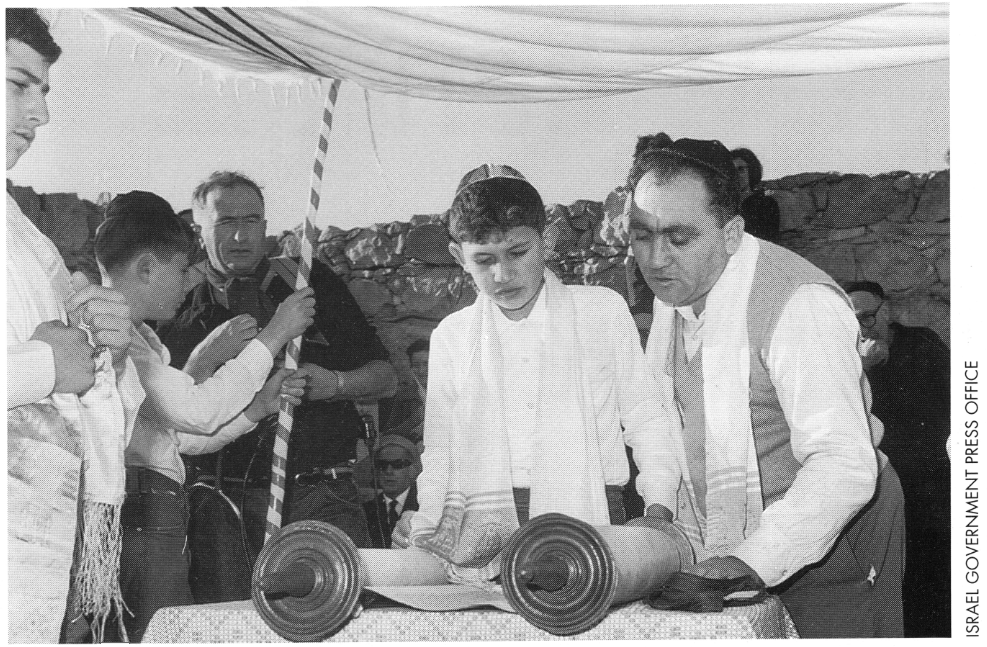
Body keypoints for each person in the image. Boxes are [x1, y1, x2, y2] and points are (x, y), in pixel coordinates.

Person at [627, 137, 904, 638]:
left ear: (731, 233)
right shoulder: (677, 293)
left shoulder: (799, 306)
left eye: (679, 237)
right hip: (732, 539)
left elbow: (843, 466)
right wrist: (660, 508)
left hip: (834, 535)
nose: (656, 258)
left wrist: (743, 562)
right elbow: (662, 414)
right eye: (642, 235)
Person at [394, 164, 678, 581]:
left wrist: (658, 509)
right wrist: (428, 520)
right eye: (483, 260)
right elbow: (440, 451)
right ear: (458, 256)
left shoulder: (600, 310)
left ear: (545, 241)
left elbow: (646, 418)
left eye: (518, 253)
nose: (502, 275)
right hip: (482, 527)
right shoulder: (452, 337)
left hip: (591, 513)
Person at [157, 171, 397, 599]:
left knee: (333, 616)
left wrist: (336, 384)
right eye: (225, 222)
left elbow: (387, 377)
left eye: (252, 221)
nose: (240, 234)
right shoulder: (174, 300)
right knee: (227, 627)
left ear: (266, 225)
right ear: (199, 229)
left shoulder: (308, 281)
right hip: (220, 504)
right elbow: (165, 412)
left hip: (320, 494)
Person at [93, 191, 312, 640]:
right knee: (161, 634)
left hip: (159, 508)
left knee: (169, 629)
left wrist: (256, 409)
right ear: (147, 267)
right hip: (143, 510)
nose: (187, 284)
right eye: (179, 271)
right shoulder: (123, 343)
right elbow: (199, 412)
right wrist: (274, 336)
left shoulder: (141, 340)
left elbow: (182, 442)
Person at [6, 9, 147, 642]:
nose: (39, 115)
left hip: (37, 541)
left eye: (43, 92)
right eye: (17, 84)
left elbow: (82, 372)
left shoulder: (23, 234)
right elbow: (45, 363)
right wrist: (42, 365)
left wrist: (107, 346)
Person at [845, 280, 950, 637]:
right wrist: (864, 369)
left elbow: (939, 413)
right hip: (881, 485)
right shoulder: (852, 359)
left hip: (928, 482)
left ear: (886, 312)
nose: (863, 327)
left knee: (932, 576)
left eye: (869, 317)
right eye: (853, 319)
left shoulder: (922, 344)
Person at [364, 435, 421, 548]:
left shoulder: (425, 507)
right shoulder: (365, 511)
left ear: (413, 470)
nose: (389, 471)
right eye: (382, 465)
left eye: (398, 464)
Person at [731, 147, 780, 242]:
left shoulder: (766, 203)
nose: (736, 175)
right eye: (732, 171)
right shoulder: (722, 204)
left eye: (741, 169)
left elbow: (768, 240)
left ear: (751, 172)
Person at [383, 339, 428, 441]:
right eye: (416, 365)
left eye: (426, 364)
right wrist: (415, 419)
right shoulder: (404, 396)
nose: (421, 371)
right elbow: (388, 436)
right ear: (411, 367)